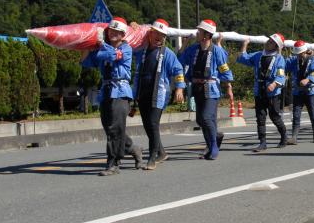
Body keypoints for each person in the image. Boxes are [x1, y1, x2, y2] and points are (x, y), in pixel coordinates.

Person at [80, 17, 143, 175]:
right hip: (106, 91)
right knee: (111, 129)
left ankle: (113, 164)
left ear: (123, 35)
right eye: (111, 31)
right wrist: (86, 44)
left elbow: (113, 56)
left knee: (114, 129)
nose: (113, 33)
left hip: (121, 91)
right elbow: (86, 62)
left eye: (117, 32)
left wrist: (101, 44)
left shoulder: (126, 48)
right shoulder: (103, 49)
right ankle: (134, 149)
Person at [133, 19, 186, 170]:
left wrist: (180, 88)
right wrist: (135, 27)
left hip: (160, 93)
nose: (159, 37)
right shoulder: (141, 50)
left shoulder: (167, 53)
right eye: (157, 33)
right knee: (148, 125)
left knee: (153, 123)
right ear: (150, 33)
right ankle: (161, 152)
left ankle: (152, 158)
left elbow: (178, 70)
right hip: (143, 91)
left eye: (162, 35)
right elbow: (128, 42)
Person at [178, 19, 234, 160]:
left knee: (206, 117)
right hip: (197, 87)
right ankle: (213, 140)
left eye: (200, 31)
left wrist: (228, 87)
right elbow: (180, 60)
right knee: (200, 120)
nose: (197, 33)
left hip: (211, 88)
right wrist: (185, 43)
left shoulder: (216, 51)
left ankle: (213, 146)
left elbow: (224, 70)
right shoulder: (193, 49)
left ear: (207, 35)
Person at [238, 33, 288, 152]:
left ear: (276, 46)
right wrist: (244, 45)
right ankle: (262, 142)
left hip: (272, 92)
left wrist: (274, 84)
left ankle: (284, 136)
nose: (268, 43)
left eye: (271, 42)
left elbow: (281, 75)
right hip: (259, 90)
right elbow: (243, 59)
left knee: (275, 117)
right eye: (268, 40)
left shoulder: (279, 59)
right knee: (260, 117)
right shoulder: (258, 55)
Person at [285, 40, 314, 144]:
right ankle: (294, 137)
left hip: (310, 92)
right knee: (296, 115)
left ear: (304, 52)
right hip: (297, 92)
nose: (298, 56)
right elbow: (285, 66)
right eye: (297, 54)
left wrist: (308, 79)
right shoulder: (293, 60)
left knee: (313, 114)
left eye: (300, 53)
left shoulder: (312, 59)